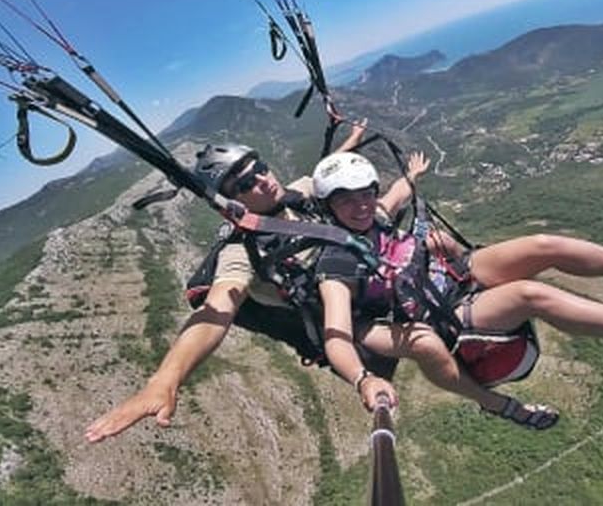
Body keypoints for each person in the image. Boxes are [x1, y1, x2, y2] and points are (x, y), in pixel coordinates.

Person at [311, 151, 603, 430]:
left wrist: (412, 177)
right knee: (531, 295)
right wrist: (364, 379)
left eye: (364, 192)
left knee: (545, 245)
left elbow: (398, 192)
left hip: (451, 274)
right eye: (345, 200)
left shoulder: (376, 213)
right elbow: (337, 334)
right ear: (329, 208)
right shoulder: (336, 262)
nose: (360, 204)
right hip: (434, 315)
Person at [84, 122, 389, 443]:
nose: (262, 180)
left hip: (366, 290)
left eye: (260, 168)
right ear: (230, 202)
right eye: (245, 183)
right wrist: (164, 382)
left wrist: (353, 138)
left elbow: (324, 174)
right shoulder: (241, 252)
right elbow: (213, 313)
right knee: (424, 340)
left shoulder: (292, 196)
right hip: (351, 329)